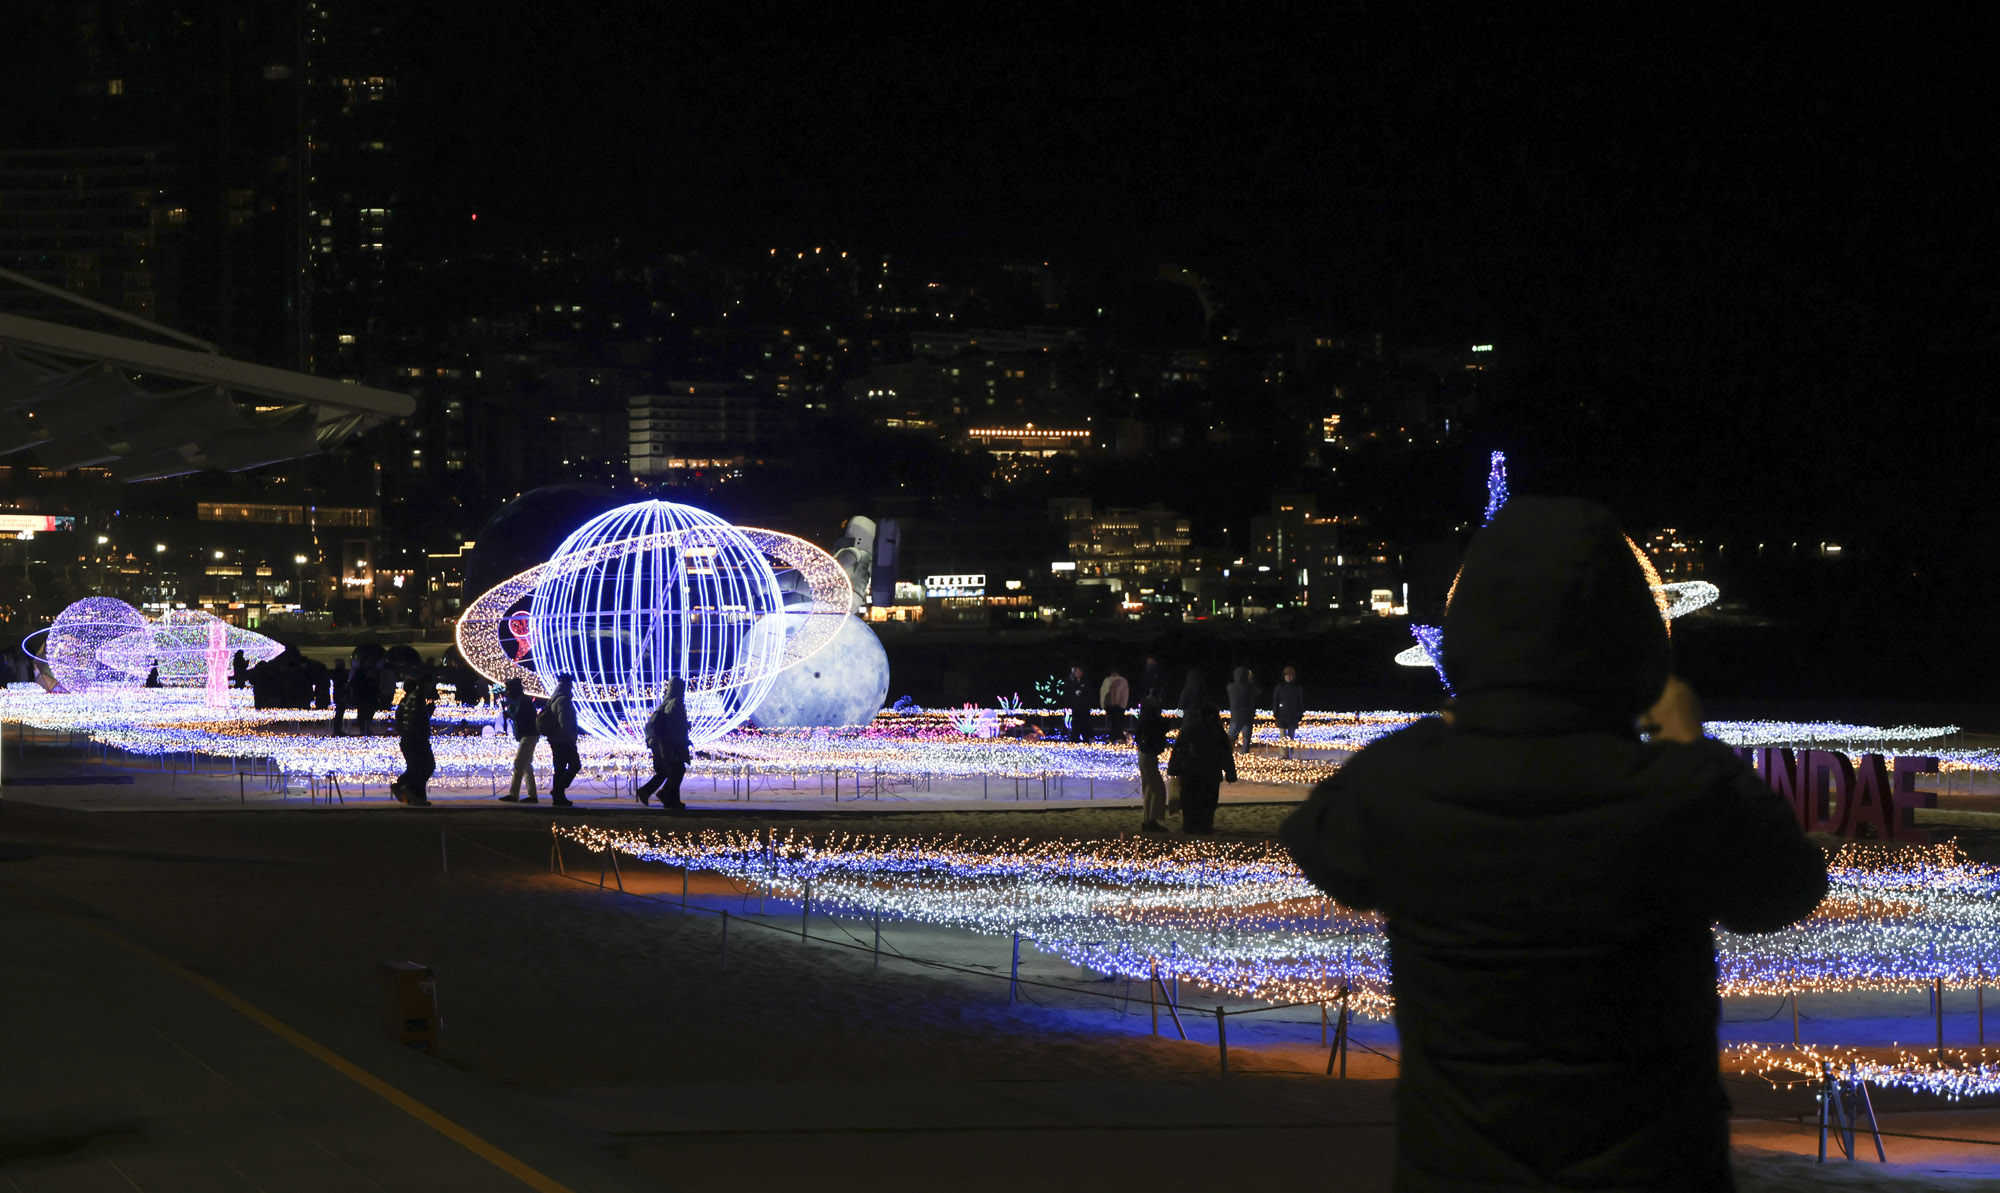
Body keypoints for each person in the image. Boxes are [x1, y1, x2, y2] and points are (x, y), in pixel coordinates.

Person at [1279, 497, 1827, 1191]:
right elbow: (1786, 886)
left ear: (1470, 621)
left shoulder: (1403, 777)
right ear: (1634, 628)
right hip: (1651, 1166)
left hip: (1460, 1165)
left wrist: (1468, 716)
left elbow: (1322, 845)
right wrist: (1691, 744)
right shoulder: (1685, 784)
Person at [1166, 700, 1235, 834]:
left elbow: (1179, 749)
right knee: (1208, 802)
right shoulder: (1217, 731)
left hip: (1190, 771)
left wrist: (1174, 767)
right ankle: (1205, 825)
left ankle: (1190, 825)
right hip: (1210, 773)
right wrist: (1230, 772)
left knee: (1190, 800)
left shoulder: (1190, 728)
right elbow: (1226, 754)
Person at [635, 677, 691, 809]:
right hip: (672, 743)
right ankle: (665, 795)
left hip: (663, 743)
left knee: (671, 770)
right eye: (682, 688)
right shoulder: (676, 702)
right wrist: (685, 727)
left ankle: (668, 799)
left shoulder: (665, 702)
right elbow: (675, 723)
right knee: (678, 770)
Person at [391, 674, 436, 807]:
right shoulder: (418, 696)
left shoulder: (407, 700)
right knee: (426, 766)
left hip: (409, 739)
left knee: (416, 767)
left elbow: (408, 718)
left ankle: (405, 788)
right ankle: (412, 791)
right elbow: (417, 719)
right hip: (417, 739)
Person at [498, 676, 540, 803]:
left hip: (528, 735)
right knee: (526, 765)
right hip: (528, 735)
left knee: (518, 763)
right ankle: (532, 796)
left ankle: (514, 794)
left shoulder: (522, 700)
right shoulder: (521, 700)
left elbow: (518, 716)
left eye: (508, 689)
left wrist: (509, 710)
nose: (507, 692)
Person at [541, 674, 579, 807]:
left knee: (560, 768)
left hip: (555, 739)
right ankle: (557, 791)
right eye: (571, 683)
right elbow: (565, 722)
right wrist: (571, 738)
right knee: (575, 765)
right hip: (564, 739)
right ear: (568, 684)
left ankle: (559, 798)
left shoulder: (554, 698)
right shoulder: (564, 700)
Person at [1133, 699, 1170, 832]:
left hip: (1144, 755)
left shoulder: (1143, 721)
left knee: (1149, 789)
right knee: (1158, 790)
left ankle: (1147, 820)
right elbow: (1164, 727)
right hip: (1149, 755)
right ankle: (1153, 821)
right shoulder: (1153, 722)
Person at [1271, 666, 1305, 759]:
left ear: (1293, 676)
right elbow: (1275, 700)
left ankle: (1289, 753)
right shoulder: (1280, 686)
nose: (1288, 677)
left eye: (1290, 675)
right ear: (1284, 676)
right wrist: (1275, 712)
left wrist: (1300, 713)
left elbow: (1300, 701)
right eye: (1287, 675)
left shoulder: (1297, 687)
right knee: (1282, 735)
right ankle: (1283, 754)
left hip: (1293, 715)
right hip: (1281, 715)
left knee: (1291, 736)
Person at [1224, 667, 1258, 752]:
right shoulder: (1249, 687)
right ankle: (1245, 755)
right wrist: (1250, 680)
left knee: (1231, 738)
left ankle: (1228, 753)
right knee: (1246, 738)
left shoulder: (1230, 687)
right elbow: (1258, 691)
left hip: (1236, 717)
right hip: (1248, 717)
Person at [1099, 666, 1130, 744]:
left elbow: (1124, 693)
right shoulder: (1108, 680)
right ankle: (1117, 737)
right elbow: (1104, 692)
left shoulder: (1122, 681)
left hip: (1118, 705)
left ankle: (1115, 737)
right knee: (1115, 722)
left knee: (1116, 722)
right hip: (1110, 705)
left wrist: (1122, 703)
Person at [350, 656, 381, 736]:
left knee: (367, 713)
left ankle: (366, 728)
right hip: (364, 697)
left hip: (368, 697)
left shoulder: (368, 672)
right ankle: (364, 728)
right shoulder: (361, 673)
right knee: (363, 713)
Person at [1064, 664, 1091, 743]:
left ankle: (1086, 738)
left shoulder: (1085, 681)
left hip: (1084, 707)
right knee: (1075, 723)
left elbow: (1089, 692)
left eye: (1079, 671)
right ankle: (1075, 738)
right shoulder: (1070, 681)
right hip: (1075, 707)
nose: (1078, 673)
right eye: (1076, 672)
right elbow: (1067, 693)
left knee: (1085, 723)